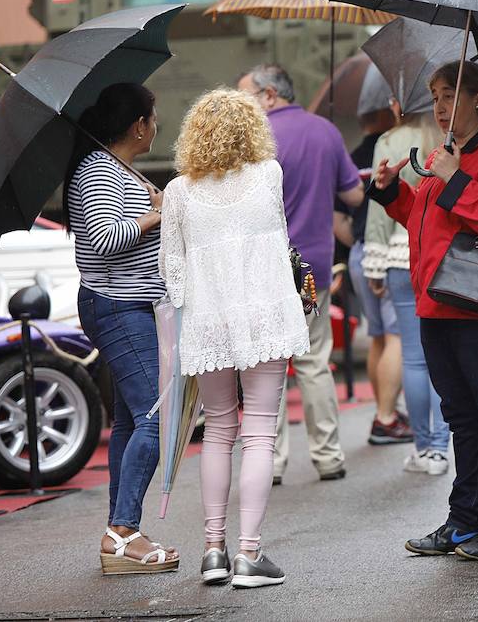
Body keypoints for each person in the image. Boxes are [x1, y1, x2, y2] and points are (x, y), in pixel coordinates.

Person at [370, 61, 478, 561]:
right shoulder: (451, 153)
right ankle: (466, 519)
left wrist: (456, 178)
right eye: (436, 96)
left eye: (450, 95)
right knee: (463, 419)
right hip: (439, 305)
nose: (440, 107)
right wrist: (391, 192)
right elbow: (428, 221)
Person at [159, 89, 311, 588]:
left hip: (208, 321)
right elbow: (279, 240)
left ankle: (213, 550)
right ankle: (250, 554)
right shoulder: (269, 175)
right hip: (265, 314)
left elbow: (172, 272)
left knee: (219, 431)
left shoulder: (178, 191)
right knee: (261, 431)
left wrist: (190, 313)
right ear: (252, 130)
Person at [66, 83, 178, 573]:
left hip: (127, 305)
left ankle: (120, 529)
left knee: (132, 420)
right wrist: (154, 216)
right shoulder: (97, 171)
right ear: (138, 124)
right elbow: (105, 237)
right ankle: (123, 532)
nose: (157, 124)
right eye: (153, 117)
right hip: (116, 306)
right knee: (156, 416)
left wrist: (153, 205)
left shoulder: (115, 169)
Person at [237, 64, 363, 484]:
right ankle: (328, 457)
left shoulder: (253, 140)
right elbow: (354, 194)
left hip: (264, 269)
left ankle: (270, 462)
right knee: (314, 362)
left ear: (269, 95)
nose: (241, 106)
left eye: (246, 96)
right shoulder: (325, 131)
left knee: (266, 365)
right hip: (315, 268)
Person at [364, 99, 450, 475]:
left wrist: (374, 261)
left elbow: (378, 207)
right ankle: (443, 447)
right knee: (443, 359)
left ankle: (423, 448)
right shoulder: (448, 139)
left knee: (414, 357)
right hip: (442, 254)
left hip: (401, 254)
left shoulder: (390, 140)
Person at [344, 99, 411, 447]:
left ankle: (384, 410)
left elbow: (342, 213)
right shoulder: (396, 143)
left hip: (361, 250)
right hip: (388, 249)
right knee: (399, 339)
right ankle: (386, 416)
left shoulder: (356, 153)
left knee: (378, 336)